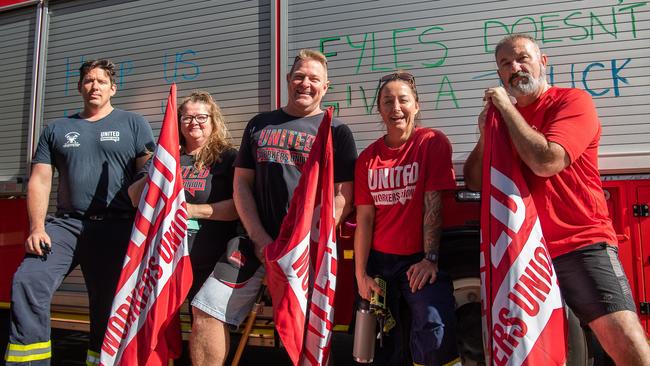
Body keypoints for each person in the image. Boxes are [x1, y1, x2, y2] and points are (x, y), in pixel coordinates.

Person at [463, 33, 650, 366]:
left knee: (626, 343)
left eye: (522, 58)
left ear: (543, 62)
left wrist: (507, 108)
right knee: (536, 353)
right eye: (505, 64)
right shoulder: (504, 119)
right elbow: (477, 179)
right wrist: (484, 137)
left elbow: (546, 161)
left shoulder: (572, 101)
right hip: (526, 252)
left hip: (579, 242)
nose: (515, 67)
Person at [188, 49, 358, 365]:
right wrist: (260, 240)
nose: (305, 83)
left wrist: (298, 247)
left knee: (310, 332)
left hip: (305, 253)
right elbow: (241, 185)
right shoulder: (260, 123)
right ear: (287, 80)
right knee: (206, 308)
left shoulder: (335, 131)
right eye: (299, 76)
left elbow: (343, 197)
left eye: (314, 79)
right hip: (254, 245)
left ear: (326, 86)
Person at [5, 59, 155, 366]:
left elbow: (149, 173)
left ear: (113, 89)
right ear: (79, 88)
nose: (94, 86)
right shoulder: (57, 129)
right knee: (28, 281)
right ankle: (29, 362)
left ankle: (101, 361)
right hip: (66, 226)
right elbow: (40, 180)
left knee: (108, 305)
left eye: (101, 81)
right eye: (88, 81)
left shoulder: (134, 123)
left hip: (117, 226)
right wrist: (36, 228)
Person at [354, 72, 459, 366]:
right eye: (387, 101)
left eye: (403, 100)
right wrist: (361, 275)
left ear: (416, 104)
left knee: (433, 328)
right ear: (379, 109)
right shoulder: (367, 159)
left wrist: (430, 258)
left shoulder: (431, 142)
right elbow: (365, 219)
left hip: (418, 260)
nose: (395, 108)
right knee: (384, 343)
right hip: (380, 263)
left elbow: (433, 205)